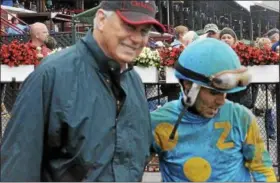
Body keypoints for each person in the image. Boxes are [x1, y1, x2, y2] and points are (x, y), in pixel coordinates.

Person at [1, 1, 165, 181]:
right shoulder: (52, 75)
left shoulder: (134, 82)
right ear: (101, 20)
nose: (136, 38)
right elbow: (17, 169)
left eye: (144, 31)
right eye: (128, 26)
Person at [150, 38, 277, 182]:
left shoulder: (241, 117)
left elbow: (262, 167)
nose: (221, 101)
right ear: (188, 86)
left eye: (224, 92)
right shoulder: (158, 122)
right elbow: (129, 166)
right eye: (214, 92)